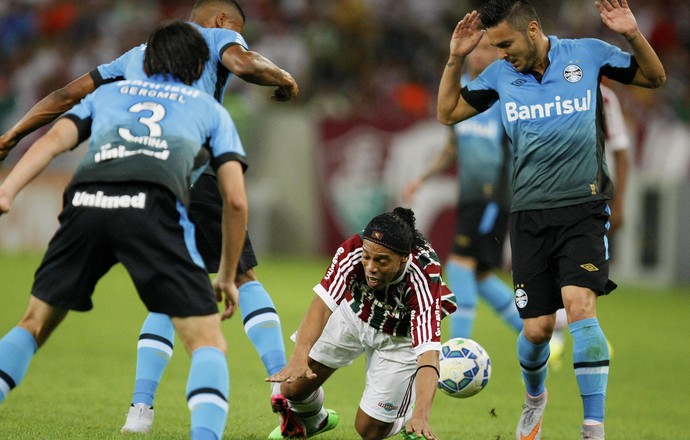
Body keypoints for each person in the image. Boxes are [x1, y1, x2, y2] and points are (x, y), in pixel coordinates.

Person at [0, 0, 299, 434]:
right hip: (166, 191)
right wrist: (285, 78)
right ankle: (280, 383)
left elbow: (60, 120)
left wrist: (8, 172)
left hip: (89, 195)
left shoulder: (119, 80)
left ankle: (140, 407)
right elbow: (236, 198)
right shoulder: (214, 77)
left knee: (34, 322)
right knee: (209, 335)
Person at [437, 0, 665, 439]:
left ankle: (592, 428)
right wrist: (455, 58)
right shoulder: (501, 76)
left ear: (533, 29)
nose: (501, 53)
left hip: (583, 208)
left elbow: (655, 78)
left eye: (505, 44)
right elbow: (447, 113)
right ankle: (535, 398)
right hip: (527, 215)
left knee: (581, 308)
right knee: (538, 329)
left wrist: (632, 34)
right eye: (494, 46)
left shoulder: (587, 54)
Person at [266, 207, 457, 440]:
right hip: (354, 314)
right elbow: (322, 305)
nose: (371, 266)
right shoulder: (354, 249)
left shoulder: (424, 277)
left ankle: (405, 418)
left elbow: (427, 355)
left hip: (398, 337)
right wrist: (298, 357)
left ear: (403, 259)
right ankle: (316, 421)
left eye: (381, 261)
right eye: (367, 257)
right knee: (291, 389)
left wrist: (421, 415)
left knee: (368, 430)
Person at [403, 36, 522, 340]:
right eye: (476, 49)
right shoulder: (464, 94)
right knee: (479, 276)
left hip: (492, 196)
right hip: (469, 196)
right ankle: (542, 333)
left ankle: (458, 347)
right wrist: (422, 178)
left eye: (487, 49)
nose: (479, 55)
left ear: (498, 54)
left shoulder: (504, 94)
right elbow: (451, 150)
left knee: (458, 265)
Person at [549, 81, 631, 370]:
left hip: (592, 199)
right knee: (554, 269)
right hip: (550, 197)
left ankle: (572, 338)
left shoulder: (605, 98)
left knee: (581, 271)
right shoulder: (550, 93)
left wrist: (618, 204)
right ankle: (570, 337)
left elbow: (621, 152)